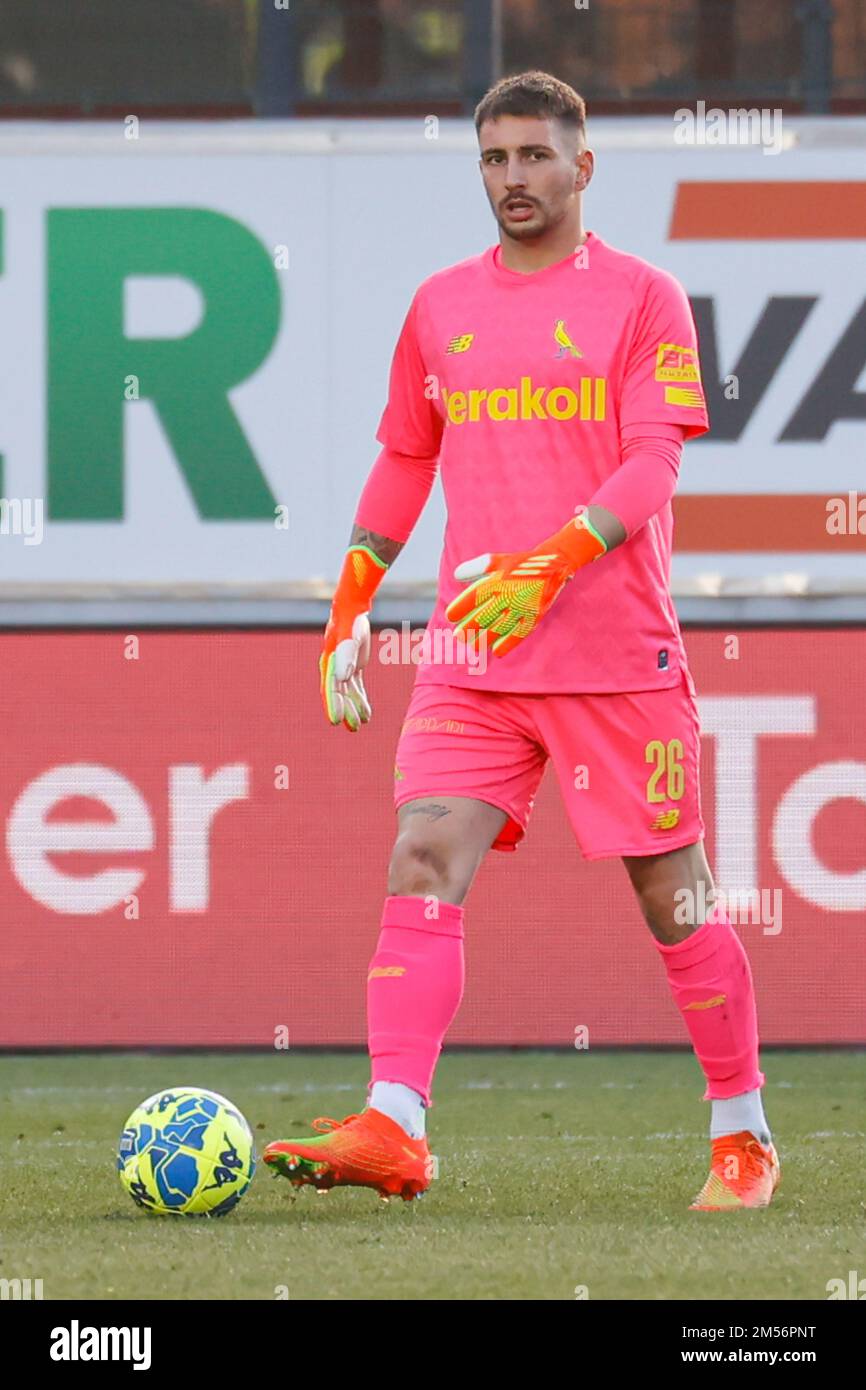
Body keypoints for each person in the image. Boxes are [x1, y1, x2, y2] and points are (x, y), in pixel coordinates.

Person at [264, 70, 779, 1211]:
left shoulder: (643, 296)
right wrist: (351, 601)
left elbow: (651, 462)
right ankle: (394, 1123)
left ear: (582, 166)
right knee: (420, 857)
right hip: (472, 653)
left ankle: (740, 1128)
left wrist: (552, 560)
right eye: (493, 160)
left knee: (672, 896)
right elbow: (406, 457)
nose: (512, 179)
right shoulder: (439, 303)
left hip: (608, 648)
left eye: (534, 157)